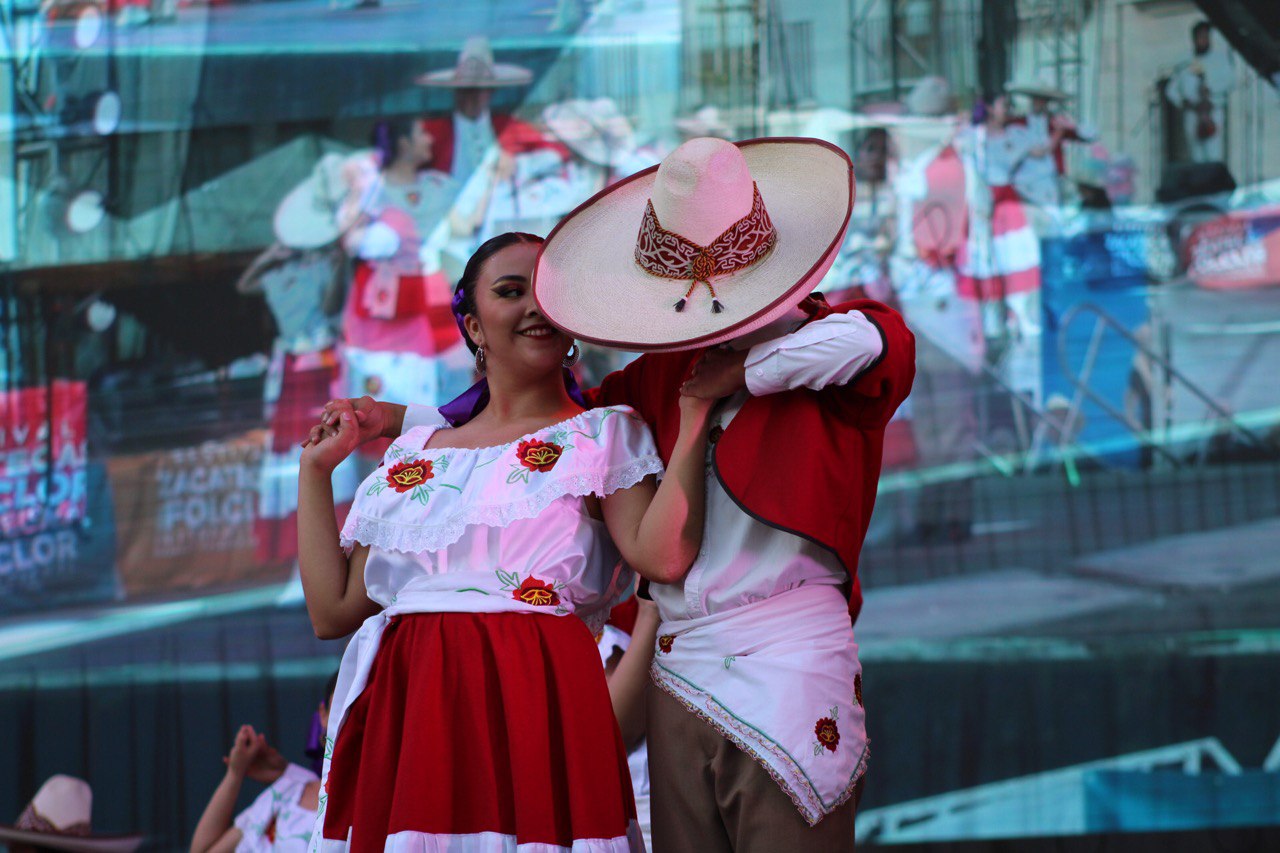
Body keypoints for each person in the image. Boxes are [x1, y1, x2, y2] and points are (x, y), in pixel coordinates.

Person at [314, 137, 916, 851]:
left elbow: (877, 343)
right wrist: (400, 419)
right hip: (680, 665)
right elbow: (529, 441)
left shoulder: (837, 342)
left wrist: (737, 377)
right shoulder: (651, 382)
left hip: (787, 651)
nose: (699, 292)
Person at [298, 231, 715, 851]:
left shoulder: (603, 435)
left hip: (538, 703)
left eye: (547, 293)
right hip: (414, 710)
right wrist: (315, 472)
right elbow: (332, 612)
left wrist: (695, 416)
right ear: (473, 326)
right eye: (511, 291)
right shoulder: (414, 456)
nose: (533, 307)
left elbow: (662, 558)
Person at [189, 676, 336, 853]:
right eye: (339, 708)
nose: (347, 721)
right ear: (323, 714)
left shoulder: (365, 803)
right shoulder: (289, 791)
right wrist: (235, 773)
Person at [1166, 20, 1235, 164]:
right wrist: (1184, 102)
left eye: (1205, 37)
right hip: (1193, 113)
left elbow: (1230, 83)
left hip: (1213, 112)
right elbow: (1171, 90)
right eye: (1200, 37)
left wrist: (1211, 91)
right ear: (1194, 39)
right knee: (1196, 155)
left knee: (1214, 153)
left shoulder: (1220, 60)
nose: (1203, 40)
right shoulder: (1185, 60)